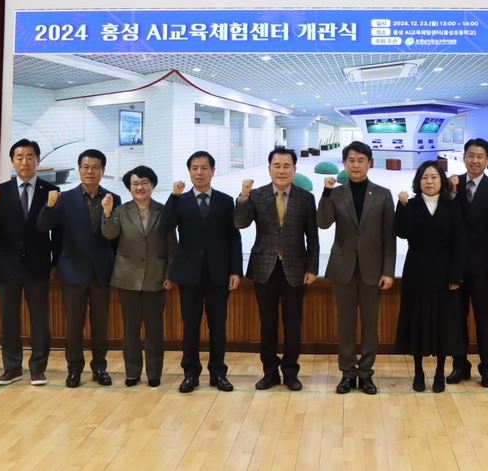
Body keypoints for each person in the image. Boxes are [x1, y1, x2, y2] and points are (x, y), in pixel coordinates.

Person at [234, 148, 319, 392]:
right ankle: (269, 371)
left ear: (294, 169)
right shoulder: (257, 195)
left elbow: (312, 237)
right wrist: (243, 197)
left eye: (286, 166)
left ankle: (291, 372)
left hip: (296, 269)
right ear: (269, 168)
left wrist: (312, 268)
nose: (281, 170)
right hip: (264, 268)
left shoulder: (305, 198)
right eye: (277, 165)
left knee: (293, 324)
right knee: (267, 323)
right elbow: (240, 222)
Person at [317, 141, 396, 395]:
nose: (356, 165)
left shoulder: (383, 194)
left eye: (361, 160)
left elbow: (389, 237)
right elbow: (323, 222)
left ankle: (366, 374)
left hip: (373, 270)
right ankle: (348, 373)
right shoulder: (336, 193)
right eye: (351, 160)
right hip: (344, 269)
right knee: (346, 324)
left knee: (371, 326)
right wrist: (326, 193)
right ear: (344, 163)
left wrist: (388, 271)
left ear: (370, 163)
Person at [160, 150, 241, 393]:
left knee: (218, 327)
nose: (199, 172)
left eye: (204, 168)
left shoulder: (225, 201)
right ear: (189, 171)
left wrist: (235, 270)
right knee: (191, 327)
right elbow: (165, 225)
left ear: (213, 171)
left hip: (219, 274)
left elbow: (233, 238)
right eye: (194, 168)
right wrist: (173, 197)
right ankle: (190, 374)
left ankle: (218, 373)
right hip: (189, 274)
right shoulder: (180, 200)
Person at [39, 148, 120, 388]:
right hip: (72, 270)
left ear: (103, 171)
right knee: (74, 326)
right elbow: (47, 229)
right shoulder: (63, 199)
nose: (90, 171)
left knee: (101, 325)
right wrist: (49, 207)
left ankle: (100, 368)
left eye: (95, 167)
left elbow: (116, 238)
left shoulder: (114, 198)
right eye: (85, 167)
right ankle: (74, 369)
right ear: (79, 169)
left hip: (102, 272)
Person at [0, 138, 59, 386]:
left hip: (38, 265)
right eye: (19, 157)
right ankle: (12, 367)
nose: (24, 162)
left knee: (40, 320)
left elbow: (54, 229)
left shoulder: (50, 190)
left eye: (29, 157)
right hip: (7, 266)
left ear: (38, 160)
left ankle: (38, 368)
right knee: (9, 320)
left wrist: (54, 263)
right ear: (11, 161)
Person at [394, 161, 465, 393]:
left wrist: (456, 275)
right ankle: (418, 372)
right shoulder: (410, 204)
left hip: (445, 273)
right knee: (417, 321)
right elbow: (401, 232)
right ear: (418, 181)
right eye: (425, 177)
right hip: (416, 270)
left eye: (434, 177)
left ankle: (439, 372)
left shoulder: (451, 206)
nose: (429, 181)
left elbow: (459, 243)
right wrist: (401, 206)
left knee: (443, 324)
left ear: (441, 181)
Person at [102, 165, 173, 388]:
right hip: (127, 279)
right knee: (131, 330)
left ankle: (154, 373)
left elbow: (172, 245)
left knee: (155, 330)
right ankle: (132, 372)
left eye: (144, 182)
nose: (140, 187)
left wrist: (170, 274)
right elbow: (109, 234)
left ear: (153, 185)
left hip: (156, 278)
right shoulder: (121, 210)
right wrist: (107, 213)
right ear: (129, 188)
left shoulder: (164, 211)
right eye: (135, 183)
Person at [447, 137, 488, 387]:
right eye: (470, 155)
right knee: (456, 319)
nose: (475, 160)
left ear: (487, 159)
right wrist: (450, 193)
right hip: (455, 265)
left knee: (485, 319)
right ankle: (460, 366)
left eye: (480, 156)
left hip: (484, 266)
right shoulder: (452, 185)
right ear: (463, 157)